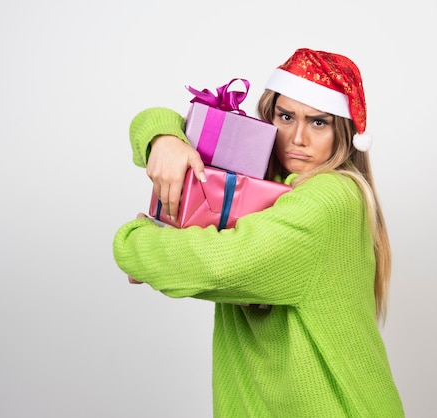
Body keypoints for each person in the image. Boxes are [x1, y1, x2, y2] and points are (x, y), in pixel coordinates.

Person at [113, 48, 405, 417]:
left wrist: (135, 241)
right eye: (286, 117)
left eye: (318, 122)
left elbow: (219, 266)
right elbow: (151, 118)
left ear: (343, 133)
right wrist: (164, 139)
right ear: (269, 116)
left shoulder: (333, 200)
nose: (298, 137)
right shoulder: (260, 179)